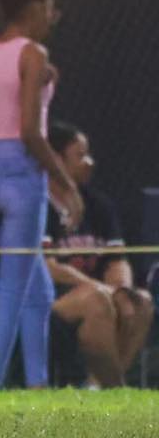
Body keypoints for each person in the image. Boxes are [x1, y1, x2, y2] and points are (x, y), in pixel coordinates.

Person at [0, 0, 83, 389]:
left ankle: (38, 385)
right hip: (21, 173)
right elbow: (31, 132)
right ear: (33, 12)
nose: (54, 18)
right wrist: (66, 186)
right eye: (50, 11)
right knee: (12, 292)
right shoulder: (33, 53)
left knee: (37, 292)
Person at [44, 122, 154, 387]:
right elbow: (46, 267)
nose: (89, 162)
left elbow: (117, 258)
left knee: (141, 301)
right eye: (80, 155)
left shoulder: (98, 205)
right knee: (98, 301)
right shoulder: (39, 205)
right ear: (56, 160)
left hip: (99, 291)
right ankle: (115, 390)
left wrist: (122, 290)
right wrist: (104, 289)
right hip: (51, 300)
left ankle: (95, 387)